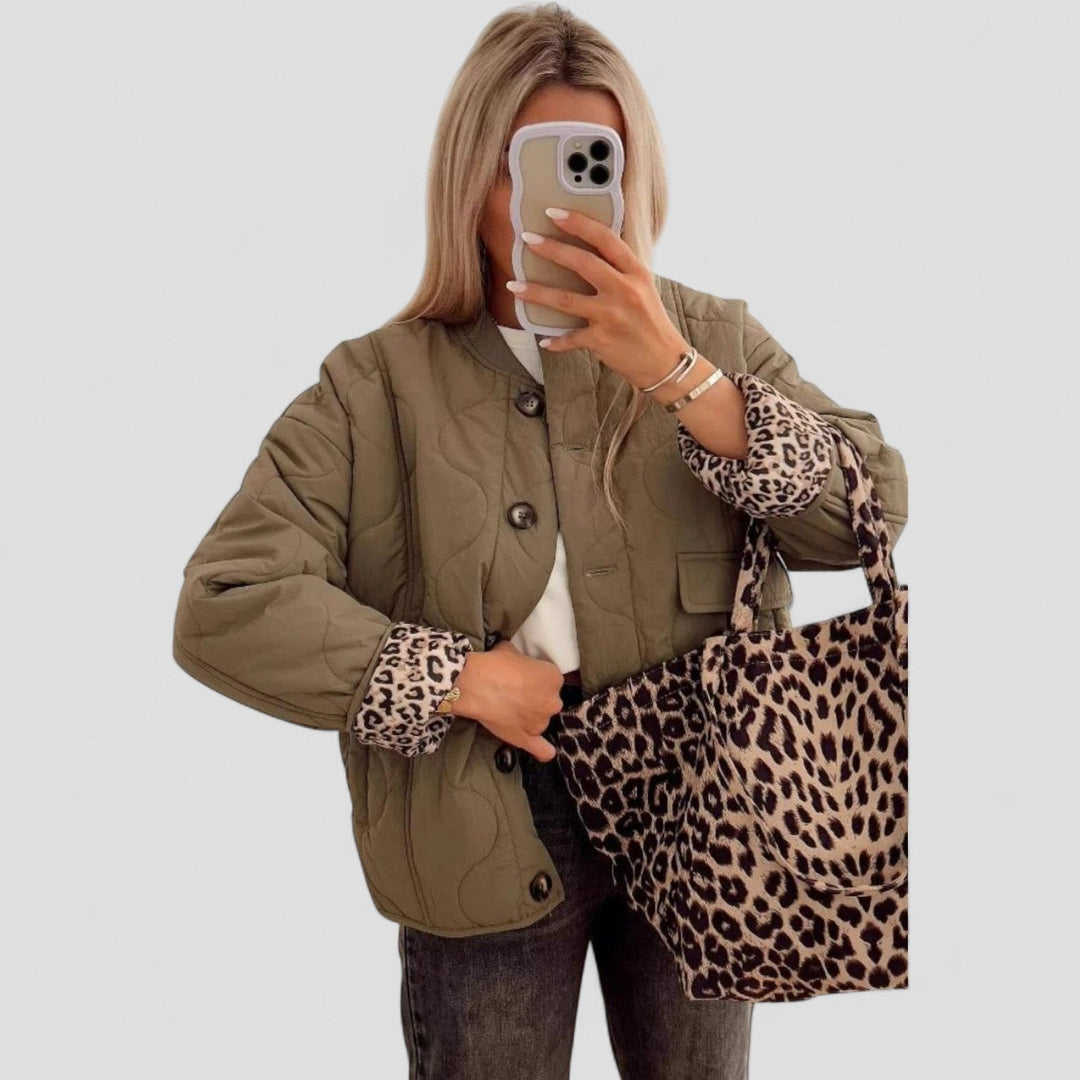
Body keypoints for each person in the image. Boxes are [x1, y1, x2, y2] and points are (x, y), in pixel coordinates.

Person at [172, 5, 908, 1077]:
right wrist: (455, 679)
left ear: (634, 178)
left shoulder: (712, 341)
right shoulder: (375, 386)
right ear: (471, 179)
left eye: (592, 165)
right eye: (528, 167)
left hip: (702, 805)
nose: (559, 207)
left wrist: (680, 378)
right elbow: (225, 602)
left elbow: (867, 512)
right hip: (481, 809)